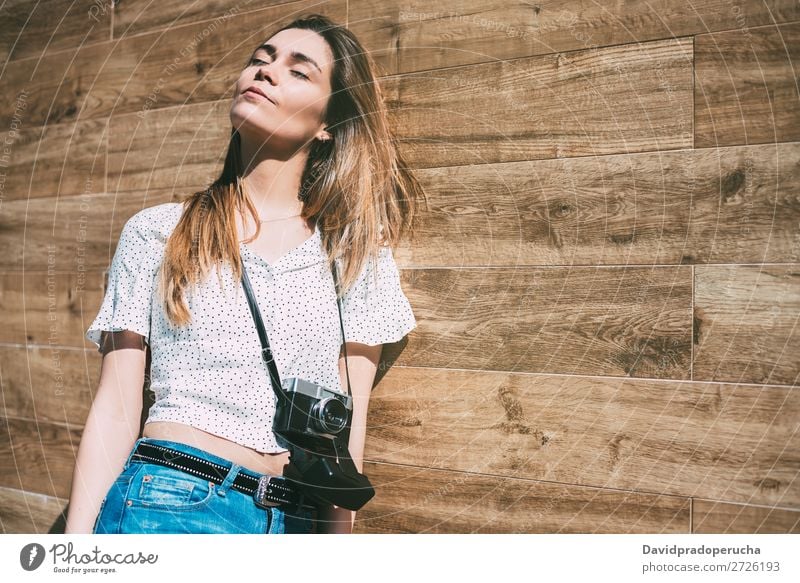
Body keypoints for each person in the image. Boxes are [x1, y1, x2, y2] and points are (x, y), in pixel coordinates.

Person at [64, 13, 425, 535]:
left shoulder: (354, 256)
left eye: (299, 71)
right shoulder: (160, 232)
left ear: (328, 123)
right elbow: (116, 409)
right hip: (171, 499)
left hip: (296, 518)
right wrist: (74, 556)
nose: (266, 71)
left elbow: (347, 428)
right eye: (260, 59)